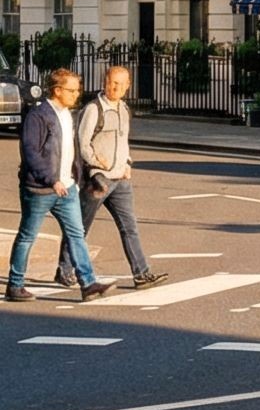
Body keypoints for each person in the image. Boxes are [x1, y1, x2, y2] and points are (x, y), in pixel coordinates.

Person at [54, 65, 166, 291]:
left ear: (128, 86)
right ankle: (65, 270)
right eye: (112, 82)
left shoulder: (124, 109)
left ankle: (141, 273)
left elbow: (123, 142)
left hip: (120, 180)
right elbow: (82, 144)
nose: (115, 88)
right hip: (98, 180)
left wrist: (127, 163)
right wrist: (97, 165)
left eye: (120, 84)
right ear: (105, 82)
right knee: (80, 228)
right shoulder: (93, 109)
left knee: (129, 227)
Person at [6, 68, 113, 304]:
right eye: (71, 90)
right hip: (40, 189)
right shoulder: (38, 116)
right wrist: (50, 179)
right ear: (57, 90)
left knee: (76, 235)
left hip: (67, 188)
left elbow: (71, 151)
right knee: (27, 236)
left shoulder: (67, 115)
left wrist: (77, 179)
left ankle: (88, 284)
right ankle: (15, 284)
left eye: (77, 90)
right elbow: (31, 152)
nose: (76, 94)